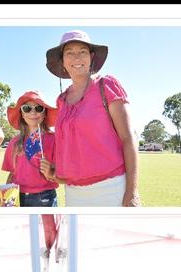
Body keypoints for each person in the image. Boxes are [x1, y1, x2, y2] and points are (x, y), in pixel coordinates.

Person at [44, 30, 139, 207]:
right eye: (69, 53)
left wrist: (132, 191)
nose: (76, 57)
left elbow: (129, 138)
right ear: (63, 61)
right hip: (73, 193)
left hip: (111, 188)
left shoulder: (107, 85)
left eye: (82, 51)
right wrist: (56, 168)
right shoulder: (61, 99)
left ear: (91, 57)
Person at [0, 90, 59, 207]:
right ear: (22, 113)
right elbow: (12, 173)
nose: (33, 112)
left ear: (45, 113)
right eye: (27, 108)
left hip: (45, 197)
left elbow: (62, 172)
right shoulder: (15, 142)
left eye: (38, 108)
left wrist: (51, 172)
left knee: (45, 226)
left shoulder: (54, 140)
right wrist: (5, 199)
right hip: (18, 196)